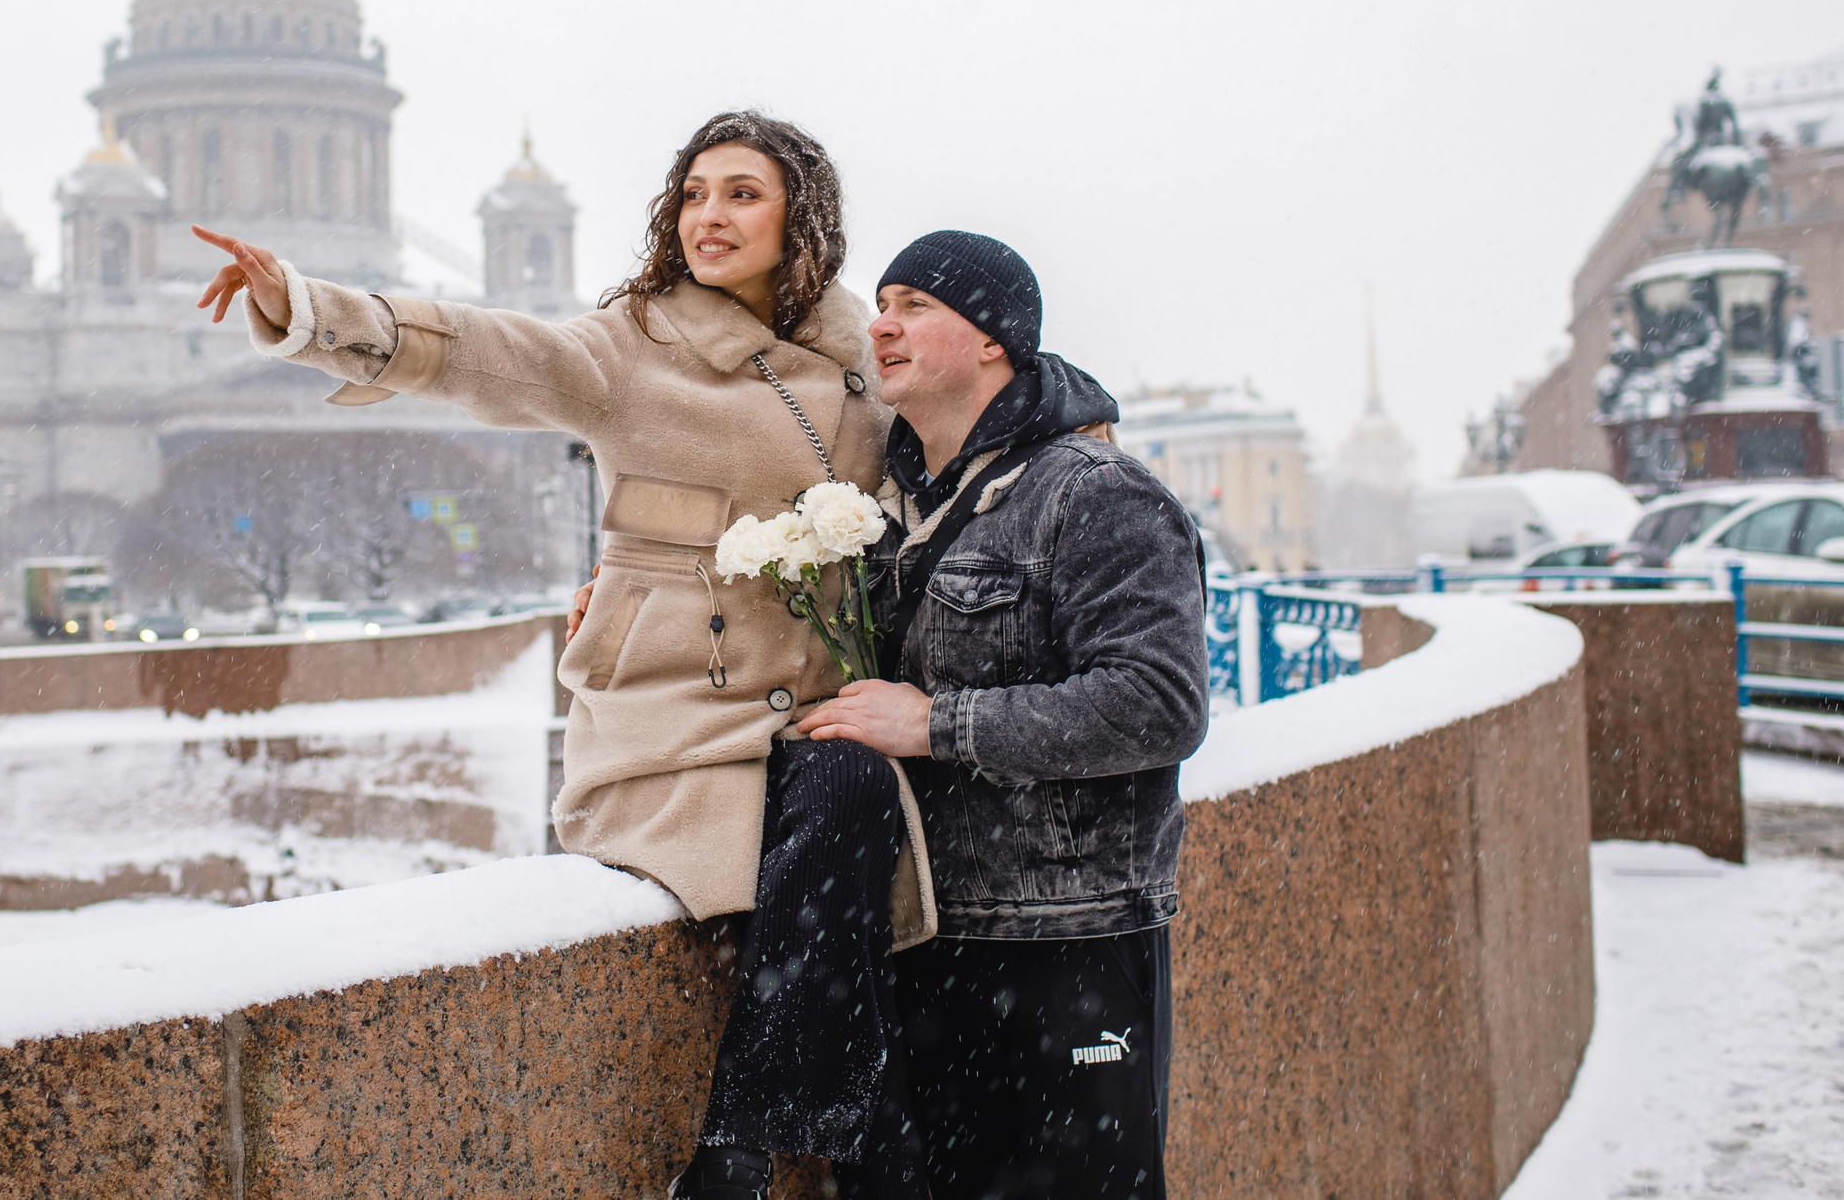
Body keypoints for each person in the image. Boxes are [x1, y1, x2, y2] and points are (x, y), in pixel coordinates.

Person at [195, 111, 932, 1200]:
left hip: (811, 725)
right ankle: (810, 1153)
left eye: (741, 194)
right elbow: (488, 352)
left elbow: (968, 430)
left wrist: (1077, 426)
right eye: (692, 194)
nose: (709, 217)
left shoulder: (858, 363)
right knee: (852, 820)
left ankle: (752, 1148)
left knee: (850, 791)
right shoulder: (633, 345)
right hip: (678, 728)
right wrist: (309, 311)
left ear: (801, 219)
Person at [798, 230, 1210, 1199]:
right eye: (881, 304)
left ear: (994, 339)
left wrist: (936, 725)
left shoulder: (1097, 496)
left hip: (1062, 945)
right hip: (917, 937)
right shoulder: (886, 508)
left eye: (913, 305)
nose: (880, 325)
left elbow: (1158, 704)